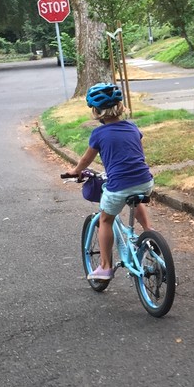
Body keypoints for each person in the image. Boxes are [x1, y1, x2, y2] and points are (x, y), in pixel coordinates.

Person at [67, 83, 154, 281]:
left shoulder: (98, 134)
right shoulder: (133, 127)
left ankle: (105, 267)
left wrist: (76, 171)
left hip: (119, 185)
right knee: (136, 198)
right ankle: (149, 231)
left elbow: (86, 160)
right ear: (120, 106)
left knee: (106, 219)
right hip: (145, 180)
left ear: (96, 111)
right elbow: (138, 153)